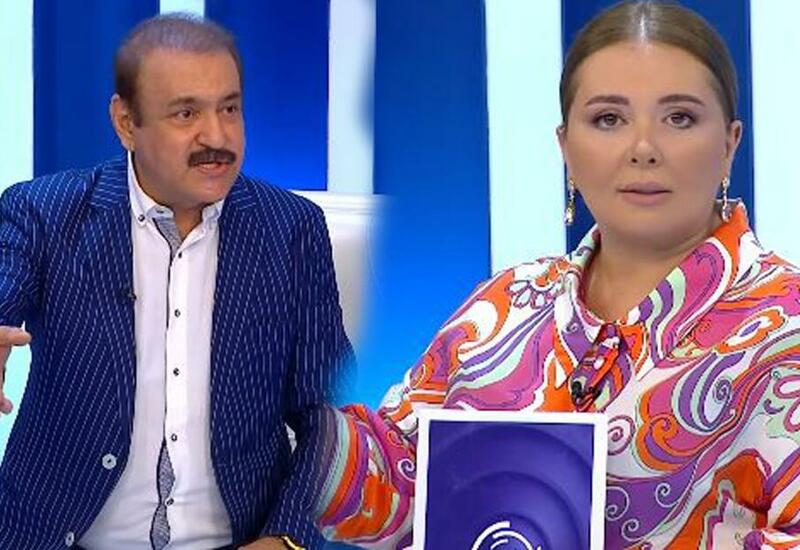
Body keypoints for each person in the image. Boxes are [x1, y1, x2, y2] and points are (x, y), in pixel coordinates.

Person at [313, 1, 800, 548]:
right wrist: (278, 415)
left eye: (679, 118)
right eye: (609, 119)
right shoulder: (507, 305)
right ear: (566, 147)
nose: (643, 149)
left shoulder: (786, 330)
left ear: (730, 144)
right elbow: (403, 484)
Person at [0, 13, 351, 550]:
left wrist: (288, 538)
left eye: (229, 109)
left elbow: (330, 411)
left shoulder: (290, 231)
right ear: (126, 122)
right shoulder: (44, 213)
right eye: (186, 113)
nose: (217, 137)